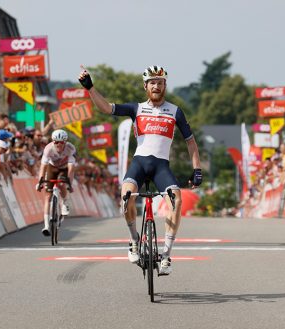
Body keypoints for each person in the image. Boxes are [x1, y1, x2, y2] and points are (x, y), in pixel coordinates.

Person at [78, 65, 202, 275]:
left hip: (161, 166)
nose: (156, 86)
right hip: (139, 163)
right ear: (146, 86)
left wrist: (197, 169)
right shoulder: (136, 109)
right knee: (125, 195)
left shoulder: (175, 111)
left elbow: (191, 142)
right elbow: (107, 108)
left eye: (160, 82)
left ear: (165, 85)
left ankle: (166, 255)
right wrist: (90, 88)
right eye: (152, 82)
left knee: (177, 200)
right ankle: (134, 240)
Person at [36, 129, 76, 236]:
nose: (58, 144)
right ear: (53, 142)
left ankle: (65, 202)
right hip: (52, 168)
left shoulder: (70, 149)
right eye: (56, 142)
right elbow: (43, 167)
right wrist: (40, 181)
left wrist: (69, 183)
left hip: (64, 168)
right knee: (47, 197)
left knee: (62, 183)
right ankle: (46, 226)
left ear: (65, 142)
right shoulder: (48, 149)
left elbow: (71, 169)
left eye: (61, 142)